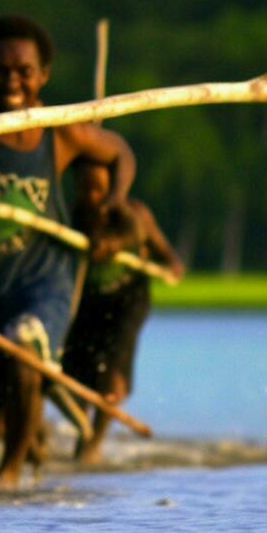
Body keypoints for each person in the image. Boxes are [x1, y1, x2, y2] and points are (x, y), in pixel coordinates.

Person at [0, 15, 135, 490]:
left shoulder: (60, 131)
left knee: (27, 351)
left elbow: (119, 152)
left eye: (24, 70)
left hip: (40, 281)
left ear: (43, 75)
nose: (11, 79)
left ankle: (8, 475)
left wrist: (114, 203)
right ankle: (25, 427)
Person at [64, 164, 185, 464]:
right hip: (88, 301)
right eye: (86, 190)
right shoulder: (71, 217)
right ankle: (83, 429)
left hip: (127, 301)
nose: (93, 197)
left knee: (113, 376)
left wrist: (169, 264)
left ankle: (95, 441)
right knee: (78, 373)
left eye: (100, 190)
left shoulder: (135, 215)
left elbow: (164, 252)